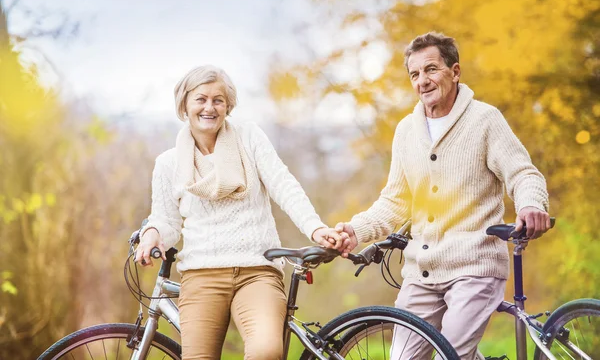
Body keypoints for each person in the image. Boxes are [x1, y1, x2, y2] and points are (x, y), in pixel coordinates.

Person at [335, 32, 551, 359]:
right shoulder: (406, 131)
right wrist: (355, 230)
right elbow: (395, 202)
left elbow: (523, 173)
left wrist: (532, 203)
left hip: (474, 266)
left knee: (449, 355)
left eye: (431, 69)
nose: (423, 80)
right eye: (415, 74)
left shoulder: (484, 119)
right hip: (421, 273)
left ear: (455, 71)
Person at [134, 65, 343, 360]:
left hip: (257, 271)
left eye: (218, 100)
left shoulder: (249, 138)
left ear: (228, 106)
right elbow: (166, 220)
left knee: (267, 352)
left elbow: (283, 184)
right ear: (185, 105)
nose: (210, 107)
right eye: (201, 99)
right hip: (201, 275)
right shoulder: (168, 164)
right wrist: (152, 234)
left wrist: (315, 227)